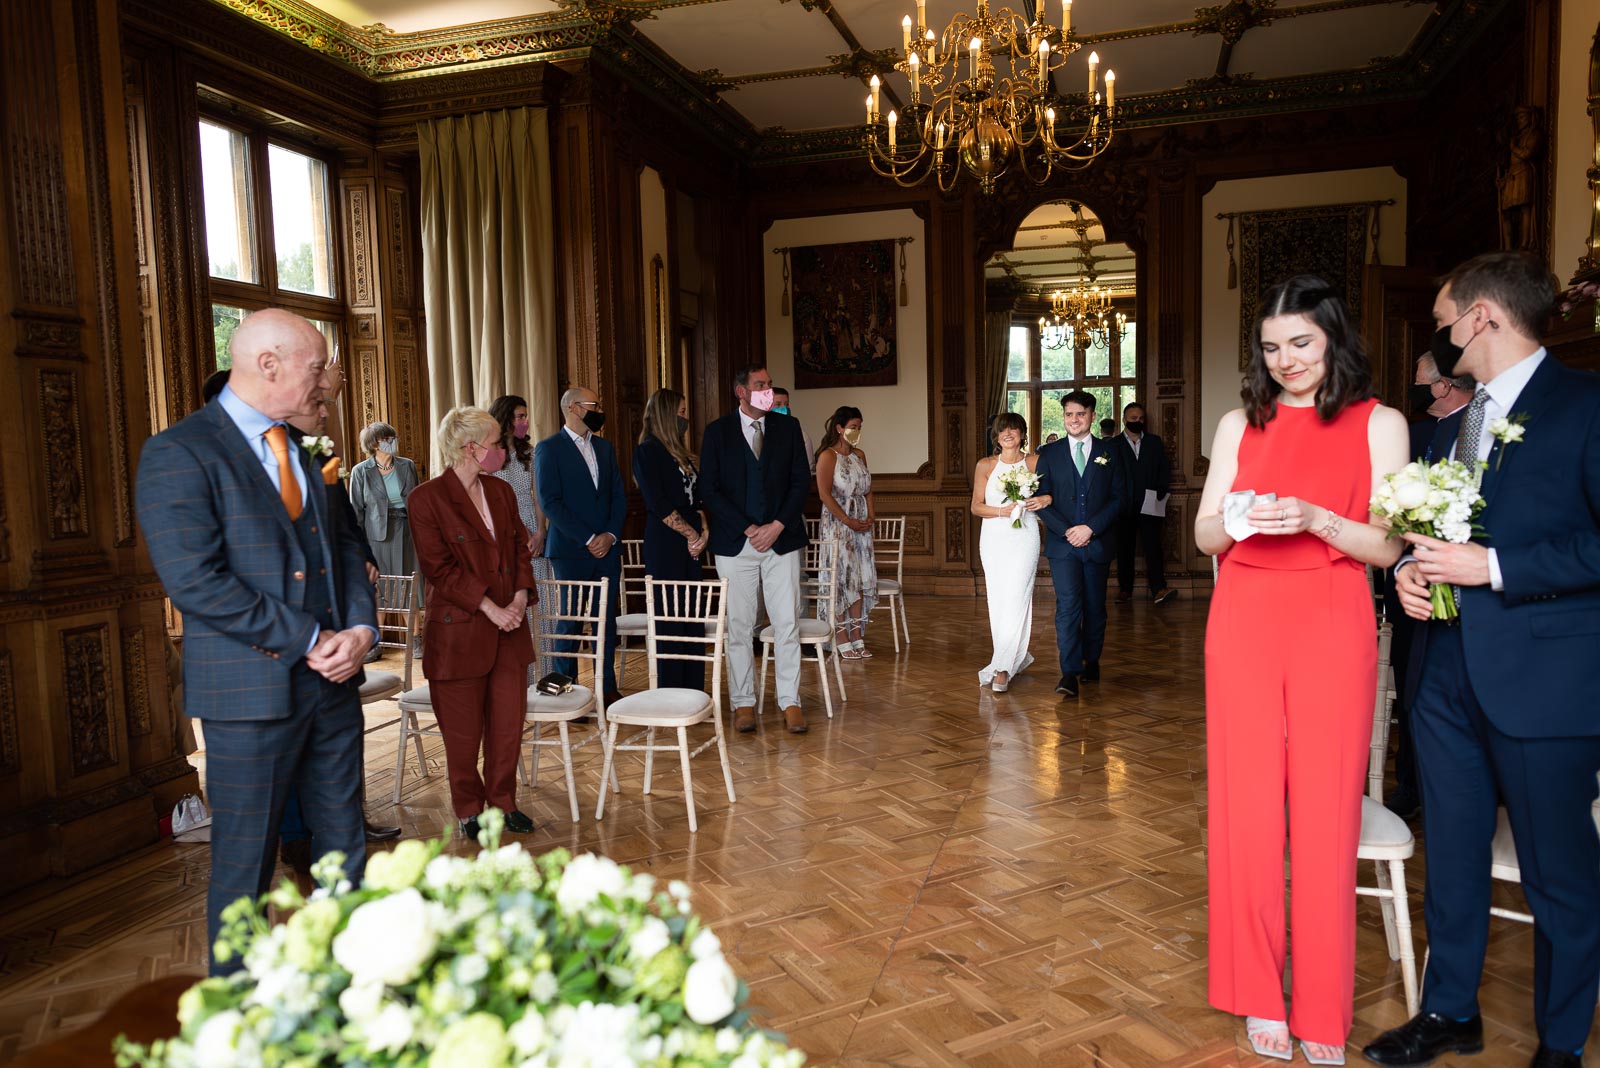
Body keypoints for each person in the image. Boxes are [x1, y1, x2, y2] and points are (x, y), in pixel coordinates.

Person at [1367, 252, 1600, 1068]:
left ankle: (1561, 1045)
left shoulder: (1588, 406)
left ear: (1484, 316)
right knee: (1453, 856)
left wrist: (1494, 570)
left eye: (1444, 315)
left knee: (1560, 876)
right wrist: (1407, 575)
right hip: (1441, 674)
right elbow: (1421, 538)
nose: (1440, 331)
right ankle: (1448, 1011)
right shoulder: (1443, 428)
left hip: (1546, 686)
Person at [1195, 275, 1408, 1064]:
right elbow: (1205, 537)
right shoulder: (1236, 424)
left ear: (1334, 339)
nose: (1286, 360)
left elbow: (1387, 546)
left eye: (1302, 343)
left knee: (1326, 814)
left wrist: (1318, 518)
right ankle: (1257, 994)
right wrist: (1241, 516)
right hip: (1244, 618)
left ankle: (1322, 1006)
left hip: (1333, 615)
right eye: (1272, 346)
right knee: (1246, 810)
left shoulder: (1379, 423)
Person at [135, 309, 378, 974]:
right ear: (267, 364)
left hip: (333, 686)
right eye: (318, 365)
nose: (328, 378)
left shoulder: (308, 453)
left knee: (344, 851)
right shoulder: (179, 452)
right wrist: (307, 637)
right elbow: (195, 581)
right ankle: (235, 1017)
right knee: (244, 867)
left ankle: (353, 994)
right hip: (248, 696)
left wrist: (359, 629)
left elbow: (349, 550)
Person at [408, 406, 538, 839]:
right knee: (463, 736)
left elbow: (521, 548)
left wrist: (519, 598)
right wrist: (490, 608)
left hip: (509, 629)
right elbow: (440, 569)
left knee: (506, 729)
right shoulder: (425, 499)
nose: (503, 449)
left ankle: (503, 802)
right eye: (497, 443)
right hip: (460, 634)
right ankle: (469, 808)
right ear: (471, 448)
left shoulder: (501, 492)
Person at [1382, 353, 1477, 822]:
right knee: (1413, 688)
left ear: (1442, 386)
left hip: (1474, 590)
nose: (1416, 391)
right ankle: (1411, 784)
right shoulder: (1414, 436)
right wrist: (1401, 565)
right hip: (1412, 591)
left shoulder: (1487, 430)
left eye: (1421, 383)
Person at [700, 365, 811, 734]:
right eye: (760, 385)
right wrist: (749, 528)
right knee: (739, 625)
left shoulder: (788, 428)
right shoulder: (717, 433)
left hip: (783, 540)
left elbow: (800, 483)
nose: (767, 390)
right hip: (736, 544)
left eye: (769, 384)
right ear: (741, 392)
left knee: (786, 623)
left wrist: (776, 525)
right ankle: (744, 702)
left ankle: (790, 701)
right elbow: (709, 490)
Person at [535, 387, 626, 704]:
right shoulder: (549, 449)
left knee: (607, 622)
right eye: (594, 405)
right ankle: (563, 690)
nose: (600, 409)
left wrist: (609, 535)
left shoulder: (605, 447)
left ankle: (607, 687)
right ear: (574, 407)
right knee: (570, 620)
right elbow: (550, 502)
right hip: (571, 550)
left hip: (608, 549)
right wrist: (588, 538)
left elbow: (617, 495)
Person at [1035, 390, 1126, 698]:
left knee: (1095, 607)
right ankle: (1069, 672)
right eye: (1068, 414)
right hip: (1063, 548)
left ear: (1091, 416)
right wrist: (1068, 531)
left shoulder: (1110, 452)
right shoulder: (1049, 454)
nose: (1073, 420)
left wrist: (1090, 528)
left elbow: (1120, 499)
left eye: (1080, 414)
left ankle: (1092, 660)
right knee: (1069, 607)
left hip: (1097, 543)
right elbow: (1041, 501)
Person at [633, 388, 709, 690]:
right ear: (666, 415)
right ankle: (671, 689)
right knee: (670, 614)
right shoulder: (648, 450)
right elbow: (658, 502)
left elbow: (697, 500)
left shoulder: (684, 453)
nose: (685, 418)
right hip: (666, 542)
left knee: (692, 613)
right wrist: (691, 534)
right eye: (681, 412)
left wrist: (703, 529)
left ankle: (693, 688)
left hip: (692, 542)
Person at [971, 412, 1051, 692]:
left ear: (1022, 434)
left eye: (1013, 430)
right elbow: (976, 507)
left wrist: (1046, 497)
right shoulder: (985, 465)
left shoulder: (1034, 462)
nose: (1008, 434)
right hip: (993, 538)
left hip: (1024, 537)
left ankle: (1003, 668)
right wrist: (1001, 511)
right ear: (996, 435)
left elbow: (1053, 493)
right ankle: (1009, 656)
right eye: (1002, 430)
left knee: (1018, 598)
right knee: (999, 601)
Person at [487, 394, 556, 685]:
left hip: (534, 533)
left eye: (525, 416)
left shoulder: (532, 452)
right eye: (518, 416)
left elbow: (538, 496)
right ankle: (521, 682)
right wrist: (520, 533)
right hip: (505, 535)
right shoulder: (492, 455)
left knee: (545, 609)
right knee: (518, 610)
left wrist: (540, 531)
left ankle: (548, 676)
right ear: (504, 419)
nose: (524, 421)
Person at [348, 421, 422, 661]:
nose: (392, 442)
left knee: (408, 585)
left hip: (407, 531)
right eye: (386, 439)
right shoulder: (361, 471)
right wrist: (357, 547)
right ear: (373, 444)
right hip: (376, 535)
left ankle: (416, 640)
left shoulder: (407, 466)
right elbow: (356, 510)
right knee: (380, 587)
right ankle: (375, 643)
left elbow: (418, 500)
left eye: (393, 437)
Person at [815, 406, 877, 659]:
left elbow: (868, 489)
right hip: (838, 526)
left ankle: (857, 634)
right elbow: (824, 494)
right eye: (853, 426)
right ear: (840, 428)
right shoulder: (827, 456)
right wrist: (847, 520)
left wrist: (870, 515)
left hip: (861, 527)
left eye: (860, 427)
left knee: (860, 578)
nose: (857, 431)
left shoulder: (860, 454)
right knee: (842, 580)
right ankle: (840, 635)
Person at [1112, 401, 1176, 605]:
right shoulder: (1113, 445)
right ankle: (1125, 590)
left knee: (1153, 548)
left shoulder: (1154, 442)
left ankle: (1159, 588)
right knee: (1124, 549)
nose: (1137, 422)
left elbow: (1163, 468)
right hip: (1124, 506)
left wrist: (1161, 488)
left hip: (1150, 504)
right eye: (1133, 419)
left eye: (1141, 419)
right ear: (1124, 420)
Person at [771, 386, 816, 473]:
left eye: (787, 404)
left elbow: (808, 468)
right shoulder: (759, 431)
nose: (784, 408)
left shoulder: (801, 435)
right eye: (778, 404)